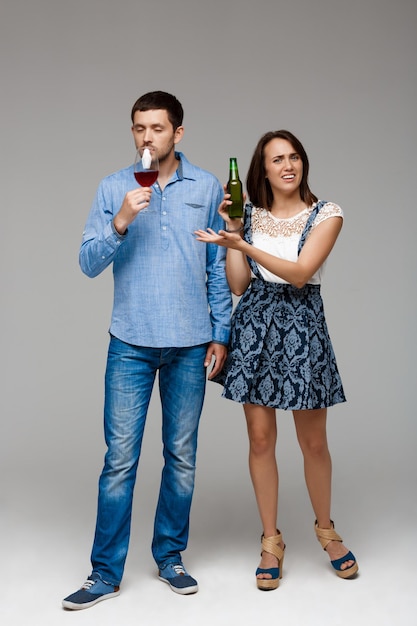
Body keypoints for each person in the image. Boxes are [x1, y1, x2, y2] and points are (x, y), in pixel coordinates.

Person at [62, 91, 232, 610]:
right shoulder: (114, 187)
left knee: (181, 458)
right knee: (120, 461)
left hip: (189, 343)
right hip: (130, 343)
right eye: (139, 128)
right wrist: (121, 222)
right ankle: (105, 572)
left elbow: (216, 268)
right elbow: (88, 262)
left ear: (177, 134)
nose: (147, 137)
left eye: (157, 128)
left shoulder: (204, 186)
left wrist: (220, 332)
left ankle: (170, 556)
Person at [195, 130, 358, 590]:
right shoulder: (249, 215)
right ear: (261, 170)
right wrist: (232, 233)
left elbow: (302, 274)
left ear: (303, 162)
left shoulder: (327, 213)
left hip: (302, 324)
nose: (288, 165)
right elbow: (240, 286)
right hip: (256, 325)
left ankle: (326, 530)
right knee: (261, 439)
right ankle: (271, 540)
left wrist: (242, 244)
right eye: (277, 159)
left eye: (294, 157)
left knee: (314, 443)